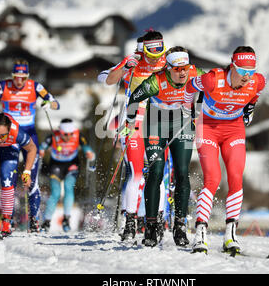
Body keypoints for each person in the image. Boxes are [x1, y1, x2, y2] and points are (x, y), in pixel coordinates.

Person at [183, 46, 266, 254]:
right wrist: (187, 109)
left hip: (234, 129)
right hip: (208, 128)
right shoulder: (213, 79)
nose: (247, 76)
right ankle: (200, 232)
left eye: (251, 70)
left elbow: (255, 93)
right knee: (213, 178)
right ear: (232, 66)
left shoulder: (257, 81)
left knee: (236, 177)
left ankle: (230, 234)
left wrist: (250, 108)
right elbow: (190, 87)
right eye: (243, 71)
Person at [126, 46, 206, 247]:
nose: (182, 72)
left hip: (182, 122)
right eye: (177, 69)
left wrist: (198, 106)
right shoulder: (156, 81)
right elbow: (135, 97)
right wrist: (129, 121)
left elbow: (210, 86)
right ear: (168, 68)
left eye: (185, 68)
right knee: (155, 172)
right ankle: (151, 227)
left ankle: (180, 226)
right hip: (155, 122)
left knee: (182, 172)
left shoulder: (195, 74)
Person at [0, 59, 60, 232]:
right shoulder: (3, 86)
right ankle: (10, 220)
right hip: (9, 135)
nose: (19, 81)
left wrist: (48, 104)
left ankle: (34, 220)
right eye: (17, 77)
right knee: (10, 179)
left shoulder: (35, 86)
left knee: (31, 178)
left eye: (23, 78)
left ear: (27, 77)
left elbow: (55, 103)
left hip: (29, 134)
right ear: (12, 76)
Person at [105, 30, 167, 241]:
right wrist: (124, 67)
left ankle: (157, 220)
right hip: (134, 123)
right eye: (144, 50)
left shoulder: (166, 62)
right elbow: (107, 79)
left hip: (159, 123)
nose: (150, 55)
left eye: (155, 50)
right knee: (137, 173)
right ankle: (130, 221)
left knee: (158, 175)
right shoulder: (133, 61)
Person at [39, 119, 96, 232]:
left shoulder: (78, 135)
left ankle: (66, 219)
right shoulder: (53, 137)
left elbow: (87, 148)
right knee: (55, 193)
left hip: (72, 165)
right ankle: (46, 221)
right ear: (60, 132)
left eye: (71, 134)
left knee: (68, 188)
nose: (68, 136)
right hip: (56, 165)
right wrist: (41, 151)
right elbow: (41, 147)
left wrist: (89, 154)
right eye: (65, 134)